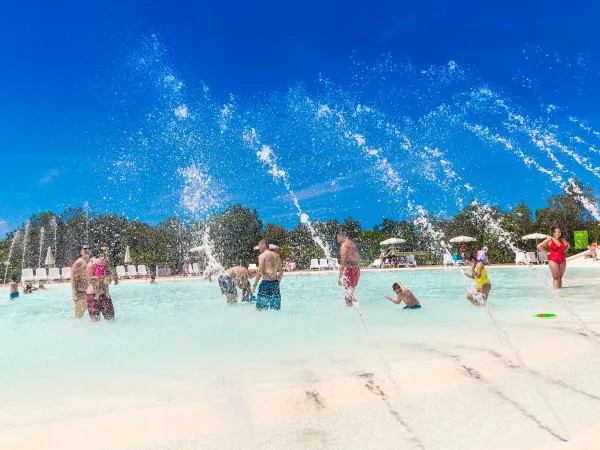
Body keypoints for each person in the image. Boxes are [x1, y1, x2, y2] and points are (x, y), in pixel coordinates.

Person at [86, 244, 118, 322]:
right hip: (93, 295)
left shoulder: (108, 265)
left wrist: (109, 268)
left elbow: (115, 279)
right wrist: (99, 277)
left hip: (105, 295)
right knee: (95, 321)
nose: (107, 254)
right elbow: (89, 280)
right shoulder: (91, 264)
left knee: (111, 319)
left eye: (108, 252)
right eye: (104, 252)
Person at [252, 239, 283, 310]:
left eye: (259, 246)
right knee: (276, 309)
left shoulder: (262, 256)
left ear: (264, 245)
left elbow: (259, 272)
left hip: (265, 283)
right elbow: (281, 271)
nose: (259, 248)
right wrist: (278, 281)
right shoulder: (277, 255)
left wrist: (254, 286)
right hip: (275, 284)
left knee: (259, 309)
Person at [338, 231, 360, 306]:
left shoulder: (344, 245)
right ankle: (353, 306)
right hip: (356, 269)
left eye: (338, 237)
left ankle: (348, 308)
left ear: (341, 236)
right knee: (351, 290)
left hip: (349, 269)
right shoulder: (353, 244)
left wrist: (340, 276)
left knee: (346, 290)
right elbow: (357, 257)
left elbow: (343, 260)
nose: (338, 239)